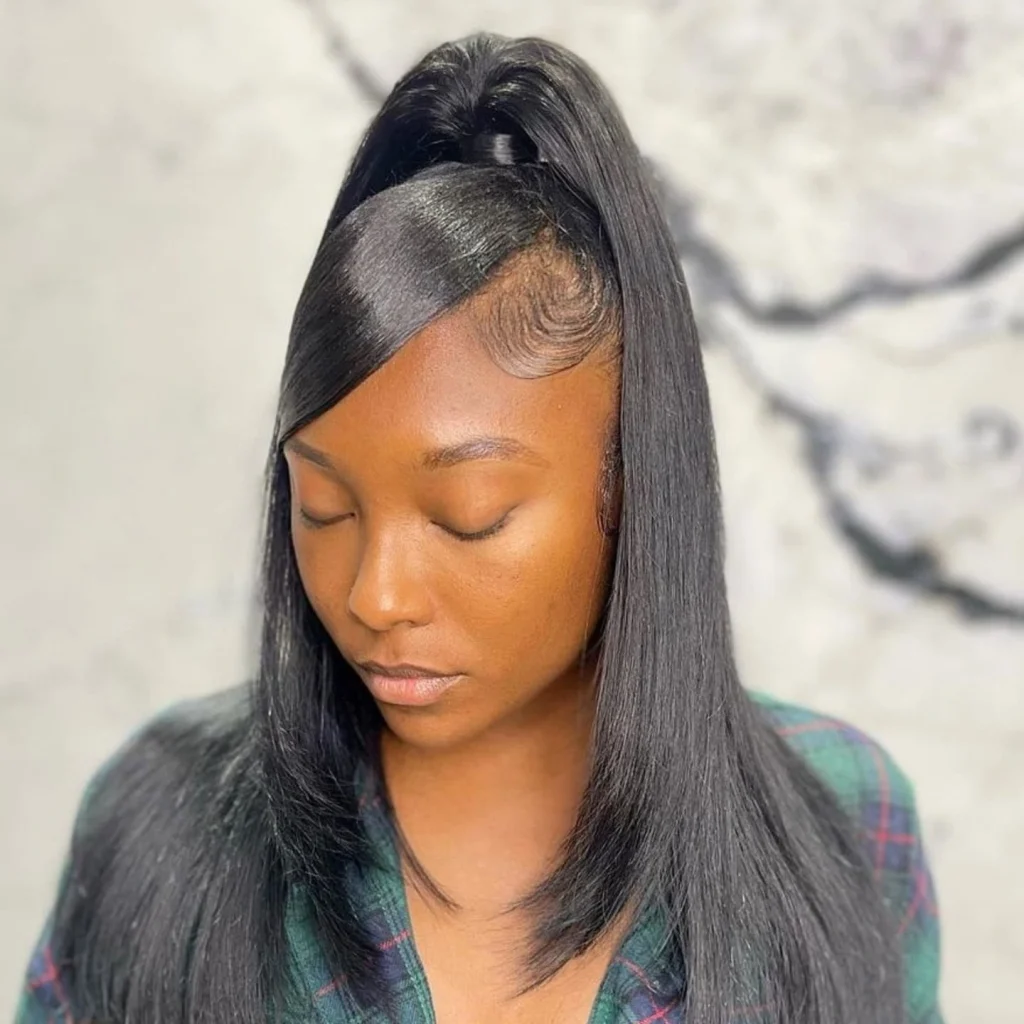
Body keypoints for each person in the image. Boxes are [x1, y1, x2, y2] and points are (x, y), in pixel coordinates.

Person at [16, 31, 943, 1024]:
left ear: (635, 486)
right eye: (325, 506)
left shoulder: (843, 826)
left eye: (470, 517)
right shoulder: (166, 825)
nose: (376, 594)